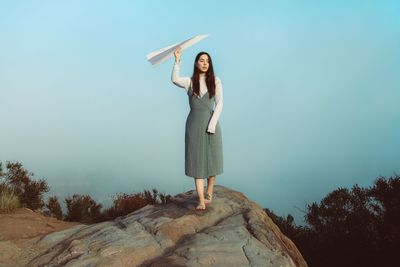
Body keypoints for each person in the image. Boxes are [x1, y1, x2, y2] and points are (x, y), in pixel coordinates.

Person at [171, 47, 224, 210]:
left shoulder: (215, 80)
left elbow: (220, 103)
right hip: (194, 124)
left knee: (212, 158)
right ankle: (201, 200)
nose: (205, 63)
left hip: (211, 123)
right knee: (197, 160)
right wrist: (177, 60)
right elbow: (174, 79)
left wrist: (212, 124)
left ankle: (209, 191)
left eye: (207, 61)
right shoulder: (189, 81)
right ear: (196, 63)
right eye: (201, 60)